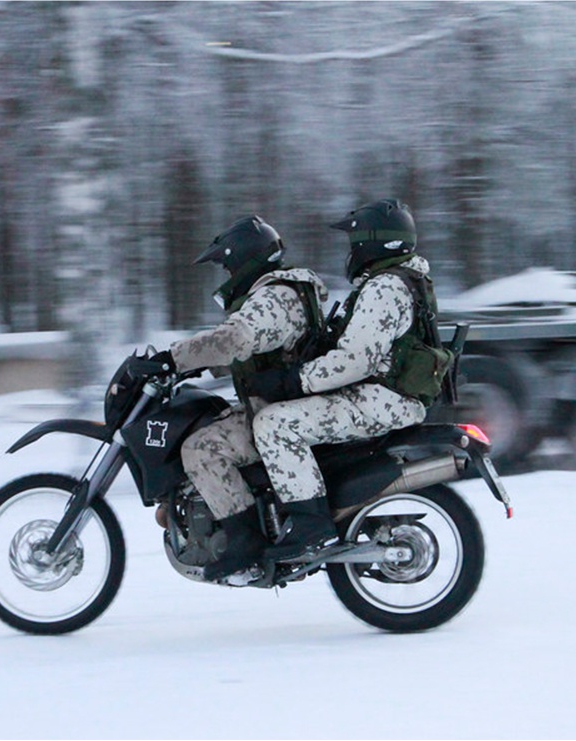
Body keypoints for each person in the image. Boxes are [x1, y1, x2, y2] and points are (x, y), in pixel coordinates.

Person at [246, 198, 437, 560]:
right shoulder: (408, 279)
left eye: (355, 242)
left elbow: (355, 361)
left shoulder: (384, 288)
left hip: (379, 399)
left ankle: (311, 525)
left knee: (273, 423)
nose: (351, 251)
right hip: (388, 395)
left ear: (373, 242)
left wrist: (294, 380)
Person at [151, 215, 327, 581]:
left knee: (201, 449)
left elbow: (236, 340)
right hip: (280, 404)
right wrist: (200, 365)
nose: (227, 275)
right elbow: (259, 351)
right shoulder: (282, 291)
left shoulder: (275, 295)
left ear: (245, 259)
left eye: (228, 265)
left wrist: (173, 358)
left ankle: (243, 540)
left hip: (280, 411)